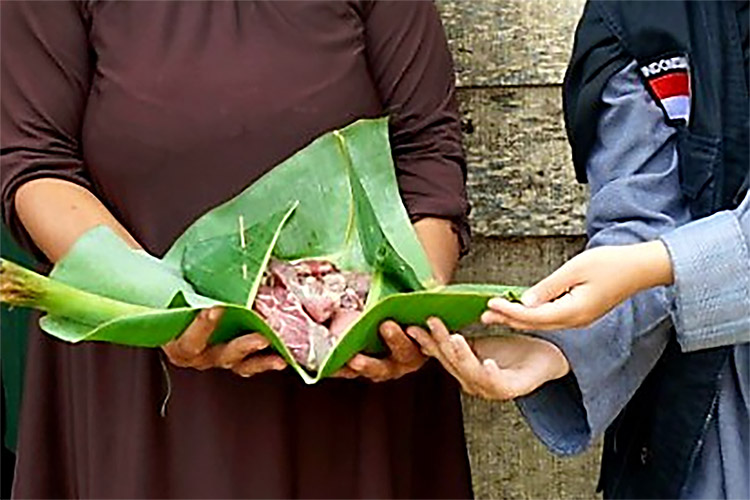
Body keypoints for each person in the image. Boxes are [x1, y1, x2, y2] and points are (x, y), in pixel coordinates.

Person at [0, 1, 473, 498]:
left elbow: (427, 147)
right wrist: (165, 310)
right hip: (146, 386)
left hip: (351, 382)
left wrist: (410, 312)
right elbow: (36, 164)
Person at [407, 1, 749, 498]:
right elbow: (639, 219)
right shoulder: (637, 16)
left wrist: (657, 265)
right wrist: (560, 345)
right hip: (709, 429)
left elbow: (648, 261)